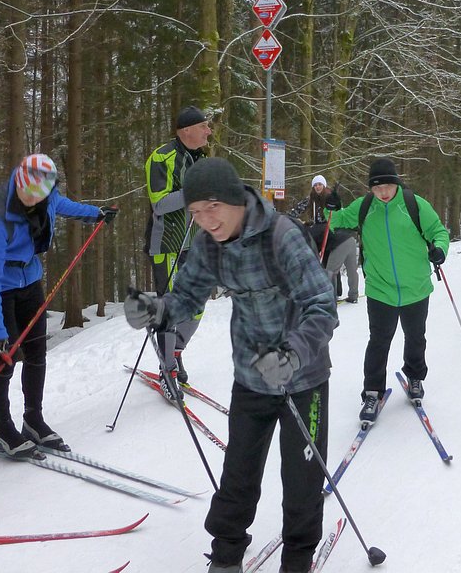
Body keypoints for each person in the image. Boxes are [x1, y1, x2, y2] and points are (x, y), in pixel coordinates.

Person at [123, 158, 337, 573]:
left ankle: (298, 558)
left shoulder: (282, 237)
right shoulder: (208, 245)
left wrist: (292, 354)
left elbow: (322, 306)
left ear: (235, 199)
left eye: (212, 207)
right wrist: (156, 310)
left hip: (303, 378)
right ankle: (226, 554)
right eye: (196, 212)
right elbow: (187, 297)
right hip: (251, 375)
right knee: (238, 473)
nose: (205, 220)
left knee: (302, 479)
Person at [0, 153, 116, 457]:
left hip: (29, 280)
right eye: (28, 194)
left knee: (36, 352)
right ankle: (1, 427)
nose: (33, 200)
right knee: (5, 358)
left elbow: (63, 205)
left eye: (40, 195)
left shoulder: (46, 195)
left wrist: (95, 214)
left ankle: (33, 419)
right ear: (19, 182)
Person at [324, 158, 449, 424]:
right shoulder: (365, 207)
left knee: (415, 337)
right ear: (371, 188)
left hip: (415, 287)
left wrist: (440, 249)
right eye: (377, 187)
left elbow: (438, 231)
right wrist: (330, 207)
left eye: (388, 186)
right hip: (380, 289)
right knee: (379, 341)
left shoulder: (414, 204)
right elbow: (335, 221)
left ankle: (415, 377)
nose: (383, 192)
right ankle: (372, 392)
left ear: (396, 184)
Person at [145, 105, 211, 385]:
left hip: (194, 243)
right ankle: (167, 369)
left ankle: (175, 351)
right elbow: (159, 203)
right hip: (167, 244)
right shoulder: (162, 157)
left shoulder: (200, 159)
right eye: (203, 126)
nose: (209, 131)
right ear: (186, 131)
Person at [290, 175, 359, 303]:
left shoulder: (329, 197)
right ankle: (344, 293)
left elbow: (338, 212)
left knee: (332, 268)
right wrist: (291, 217)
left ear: (324, 185)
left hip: (331, 233)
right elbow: (298, 210)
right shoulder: (310, 199)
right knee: (337, 266)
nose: (318, 187)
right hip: (329, 234)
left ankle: (335, 295)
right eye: (315, 185)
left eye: (320, 184)